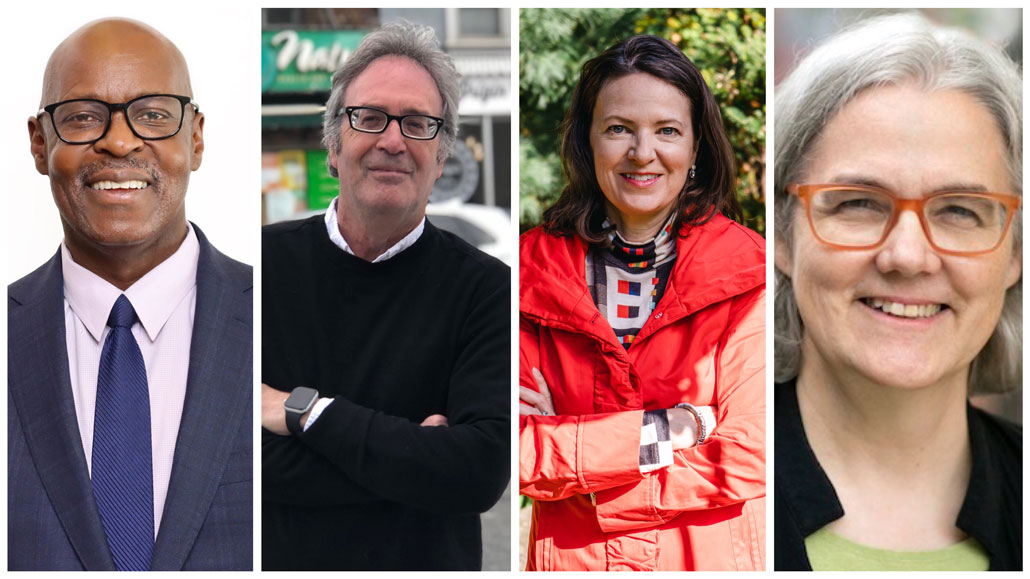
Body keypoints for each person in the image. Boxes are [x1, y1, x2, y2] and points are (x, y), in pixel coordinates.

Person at [773, 12, 1022, 571]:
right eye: (858, 202)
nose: (907, 257)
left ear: (1016, 255)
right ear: (783, 237)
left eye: (960, 210)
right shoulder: (683, 495)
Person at [260, 21, 509, 571]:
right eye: (369, 118)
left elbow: (477, 473)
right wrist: (413, 462)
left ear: (441, 158)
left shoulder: (486, 289)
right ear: (333, 144)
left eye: (418, 124)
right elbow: (230, 458)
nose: (392, 140)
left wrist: (305, 413)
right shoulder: (257, 270)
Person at [8, 18, 252, 571]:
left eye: (153, 114)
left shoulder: (280, 315)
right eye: (82, 117)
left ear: (196, 138)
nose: (118, 141)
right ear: (39, 143)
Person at [519, 35, 766, 571]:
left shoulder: (748, 272)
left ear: (696, 147)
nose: (642, 152)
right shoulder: (530, 274)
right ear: (589, 141)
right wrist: (673, 430)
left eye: (668, 131)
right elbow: (511, 449)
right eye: (618, 129)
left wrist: (583, 469)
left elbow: (749, 454)